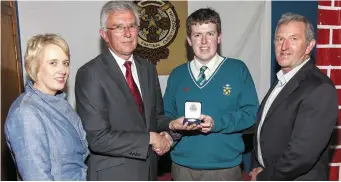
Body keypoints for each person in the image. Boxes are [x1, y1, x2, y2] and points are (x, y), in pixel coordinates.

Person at [75, 1, 196, 180]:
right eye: (118, 27)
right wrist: (150, 138)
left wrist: (171, 125)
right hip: (114, 175)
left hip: (149, 170)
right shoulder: (90, 74)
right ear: (104, 35)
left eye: (132, 26)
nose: (127, 33)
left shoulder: (147, 68)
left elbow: (154, 117)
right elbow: (98, 138)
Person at [163, 8, 259, 181]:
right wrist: (172, 126)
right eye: (197, 35)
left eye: (210, 34)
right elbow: (166, 115)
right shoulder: (177, 74)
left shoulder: (237, 70)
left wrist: (218, 123)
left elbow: (251, 114)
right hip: (182, 168)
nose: (204, 41)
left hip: (225, 169)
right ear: (189, 40)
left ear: (219, 37)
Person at [250, 12, 338, 181]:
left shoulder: (320, 88)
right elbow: (264, 129)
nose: (284, 46)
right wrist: (257, 165)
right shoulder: (282, 79)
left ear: (309, 46)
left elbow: (300, 156)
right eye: (279, 39)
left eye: (294, 39)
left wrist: (263, 177)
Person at [4, 34, 89, 180]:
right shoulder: (25, 112)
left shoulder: (60, 102)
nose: (63, 70)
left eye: (65, 63)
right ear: (35, 67)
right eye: (53, 63)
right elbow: (36, 176)